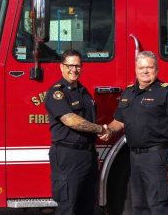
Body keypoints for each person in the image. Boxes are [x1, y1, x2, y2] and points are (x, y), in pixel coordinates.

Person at [102, 50, 168, 215]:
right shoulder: (128, 92)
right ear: (135, 69)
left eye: (150, 67)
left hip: (156, 156)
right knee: (139, 206)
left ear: (157, 69)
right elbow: (119, 121)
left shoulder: (167, 92)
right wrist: (109, 130)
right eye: (141, 68)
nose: (145, 71)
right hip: (135, 157)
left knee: (157, 205)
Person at [44, 49, 110, 215]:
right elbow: (70, 120)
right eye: (70, 65)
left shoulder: (84, 93)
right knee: (68, 207)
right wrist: (101, 129)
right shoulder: (57, 93)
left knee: (87, 206)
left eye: (78, 66)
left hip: (87, 155)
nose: (74, 69)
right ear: (61, 67)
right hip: (67, 156)